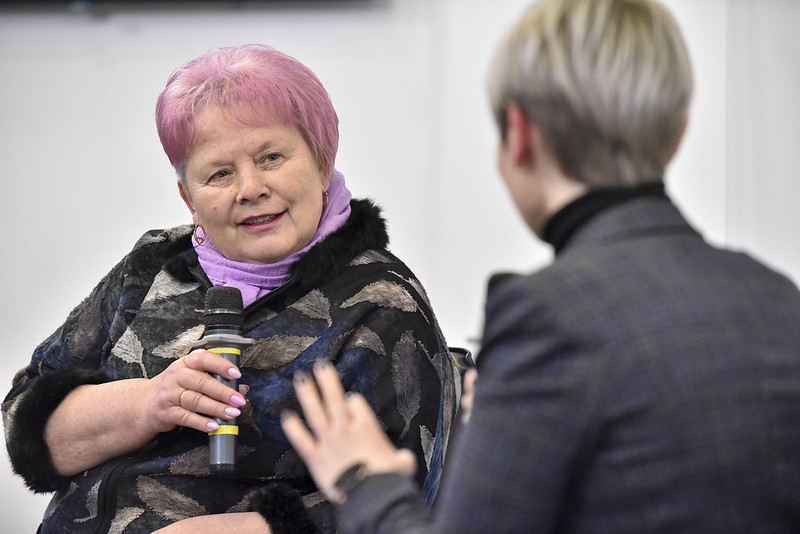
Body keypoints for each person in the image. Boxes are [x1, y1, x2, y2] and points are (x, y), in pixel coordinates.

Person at [280, 0, 800, 532]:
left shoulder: (550, 317)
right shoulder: (780, 299)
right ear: (676, 136)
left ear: (520, 134)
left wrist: (364, 479)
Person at [2, 44, 459, 534]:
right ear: (189, 198)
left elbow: (410, 503)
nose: (250, 188)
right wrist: (147, 403)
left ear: (323, 162)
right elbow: (23, 417)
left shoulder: (381, 303)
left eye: (271, 158)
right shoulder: (152, 266)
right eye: (220, 173)